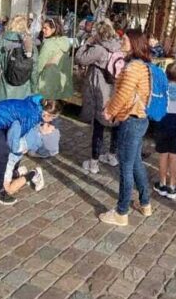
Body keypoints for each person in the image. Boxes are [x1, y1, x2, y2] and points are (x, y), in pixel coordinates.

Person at [98, 29, 154, 227]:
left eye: (124, 39)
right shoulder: (142, 65)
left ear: (133, 42)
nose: (121, 41)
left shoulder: (133, 68)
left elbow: (123, 94)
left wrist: (110, 111)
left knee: (126, 167)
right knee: (135, 162)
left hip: (131, 120)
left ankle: (121, 212)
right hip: (138, 118)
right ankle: (145, 202)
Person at [0, 95, 61, 205]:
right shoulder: (32, 118)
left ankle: (26, 175)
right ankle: (10, 180)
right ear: (46, 114)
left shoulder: (37, 108)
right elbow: (14, 139)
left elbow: (31, 99)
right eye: (52, 118)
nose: (51, 122)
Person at [77, 21, 123, 174]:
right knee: (114, 122)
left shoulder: (99, 49)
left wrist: (86, 43)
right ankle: (112, 154)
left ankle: (94, 162)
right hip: (114, 88)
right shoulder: (118, 45)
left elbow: (80, 58)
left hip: (100, 89)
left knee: (98, 125)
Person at [0, 121, 54, 196]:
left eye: (48, 126)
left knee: (8, 190)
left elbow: (18, 149)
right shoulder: (33, 122)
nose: (45, 124)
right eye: (46, 124)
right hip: (2, 153)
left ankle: (33, 174)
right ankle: (18, 172)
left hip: (9, 160)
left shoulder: (36, 140)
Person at [154, 62, 176, 198]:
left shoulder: (162, 92)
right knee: (174, 155)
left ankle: (162, 183)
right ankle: (172, 186)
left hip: (162, 125)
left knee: (163, 154)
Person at [0, 15, 36, 104]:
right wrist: (34, 89)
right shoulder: (31, 44)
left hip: (3, 89)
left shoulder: (1, 40)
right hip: (24, 91)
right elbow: (34, 71)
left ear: (10, 24)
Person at [34, 18, 73, 100]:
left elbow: (40, 64)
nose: (43, 30)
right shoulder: (65, 43)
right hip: (60, 81)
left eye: (46, 28)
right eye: (43, 28)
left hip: (46, 81)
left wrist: (34, 78)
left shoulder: (48, 44)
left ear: (53, 29)